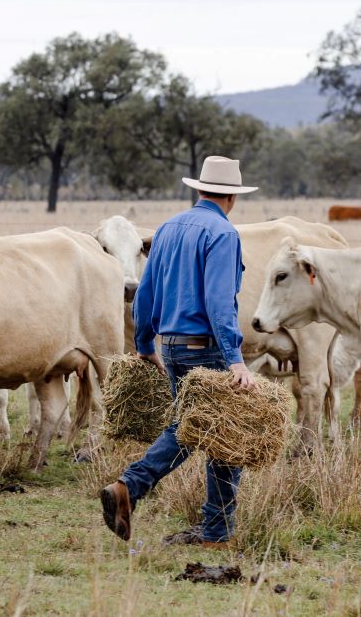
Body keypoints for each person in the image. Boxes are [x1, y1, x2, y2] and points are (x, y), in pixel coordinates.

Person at [100, 156, 258, 549]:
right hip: (206, 349)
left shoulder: (167, 229)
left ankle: (208, 528)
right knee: (220, 433)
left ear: (200, 189)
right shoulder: (223, 234)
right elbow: (221, 303)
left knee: (199, 431)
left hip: (171, 348)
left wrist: (144, 345)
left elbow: (144, 295)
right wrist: (235, 359)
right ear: (232, 198)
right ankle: (135, 490)